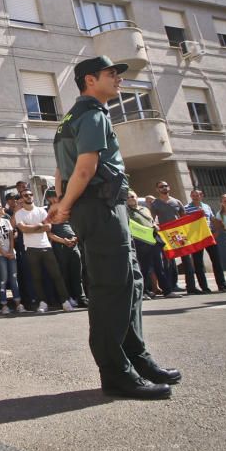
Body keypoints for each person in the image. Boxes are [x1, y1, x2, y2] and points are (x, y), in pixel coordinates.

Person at [49, 55, 179, 399]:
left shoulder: (69, 120)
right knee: (113, 287)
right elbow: (84, 168)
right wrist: (63, 206)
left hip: (101, 205)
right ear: (89, 80)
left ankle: (137, 358)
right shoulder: (91, 114)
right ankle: (116, 371)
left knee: (131, 282)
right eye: (111, 74)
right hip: (100, 205)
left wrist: (62, 202)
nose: (118, 79)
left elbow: (62, 171)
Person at [14, 191, 73, 312]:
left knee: (56, 275)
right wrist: (39, 226)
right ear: (21, 198)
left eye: (30, 194)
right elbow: (24, 229)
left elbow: (49, 227)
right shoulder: (19, 213)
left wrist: (32, 227)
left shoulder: (41, 210)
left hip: (46, 246)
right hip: (30, 249)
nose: (29, 196)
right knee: (37, 277)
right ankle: (43, 302)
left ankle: (65, 301)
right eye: (26, 195)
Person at [150, 181, 208, 295]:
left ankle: (191, 287)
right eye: (161, 187)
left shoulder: (176, 201)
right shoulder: (155, 203)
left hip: (180, 235)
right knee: (168, 262)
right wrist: (155, 227)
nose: (164, 188)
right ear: (157, 189)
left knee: (187, 261)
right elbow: (152, 219)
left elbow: (184, 217)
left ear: (169, 187)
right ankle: (170, 287)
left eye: (166, 186)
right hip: (166, 236)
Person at [45, 189, 88, 308]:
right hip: (60, 246)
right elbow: (48, 233)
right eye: (52, 197)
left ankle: (81, 298)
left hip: (74, 244)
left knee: (77, 273)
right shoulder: (47, 212)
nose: (55, 199)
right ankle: (67, 298)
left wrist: (75, 238)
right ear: (48, 199)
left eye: (56, 197)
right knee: (64, 273)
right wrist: (63, 241)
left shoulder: (68, 208)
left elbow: (77, 225)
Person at [126, 190, 172, 300]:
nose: (131, 198)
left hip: (153, 239)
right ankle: (144, 292)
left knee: (159, 266)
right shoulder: (126, 211)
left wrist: (155, 225)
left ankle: (167, 291)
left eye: (133, 196)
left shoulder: (145, 209)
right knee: (144, 268)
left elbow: (152, 221)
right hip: (140, 242)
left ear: (136, 198)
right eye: (128, 197)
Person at [186, 189, 226, 292]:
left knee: (216, 261)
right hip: (196, 237)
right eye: (193, 195)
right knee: (198, 263)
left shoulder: (207, 206)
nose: (195, 197)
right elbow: (185, 223)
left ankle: (222, 284)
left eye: (197, 195)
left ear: (201, 195)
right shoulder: (186, 208)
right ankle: (204, 287)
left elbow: (212, 219)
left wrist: (217, 231)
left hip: (209, 236)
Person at [0, 198, 22, 313]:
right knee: (3, 278)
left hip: (11, 254)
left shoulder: (6, 220)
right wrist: (4, 253)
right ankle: (4, 304)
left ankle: (18, 303)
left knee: (14, 278)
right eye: (1, 207)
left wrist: (11, 250)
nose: (3, 209)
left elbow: (11, 236)